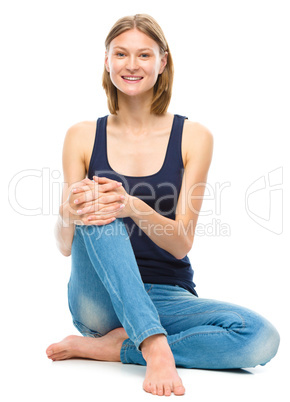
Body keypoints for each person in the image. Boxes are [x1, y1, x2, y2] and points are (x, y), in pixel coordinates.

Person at [46, 14, 280, 397]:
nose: (132, 65)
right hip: (100, 301)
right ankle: (153, 345)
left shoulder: (194, 136)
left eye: (144, 55)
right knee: (97, 206)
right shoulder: (82, 135)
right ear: (107, 61)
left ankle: (119, 347)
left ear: (162, 62)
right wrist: (69, 213)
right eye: (121, 54)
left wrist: (133, 206)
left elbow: (181, 242)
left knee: (260, 337)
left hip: (167, 294)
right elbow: (65, 244)